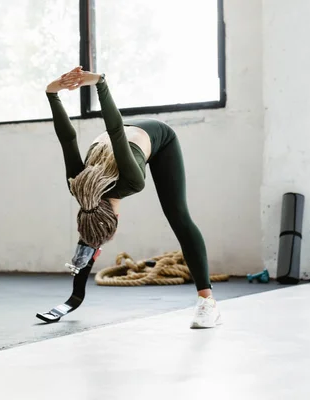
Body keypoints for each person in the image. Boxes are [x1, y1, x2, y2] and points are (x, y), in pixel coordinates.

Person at [44, 66, 221, 329]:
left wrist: (101, 83)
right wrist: (52, 93)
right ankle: (75, 295)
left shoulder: (130, 182)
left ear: (117, 219)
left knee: (178, 216)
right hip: (120, 139)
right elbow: (67, 139)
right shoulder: (77, 187)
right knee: (94, 226)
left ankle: (208, 302)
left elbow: (115, 131)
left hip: (154, 136)